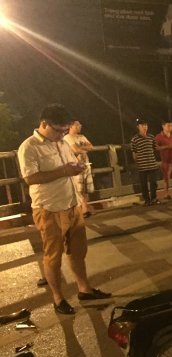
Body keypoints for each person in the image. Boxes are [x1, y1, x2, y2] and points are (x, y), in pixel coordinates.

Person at [17, 104, 111, 315]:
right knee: (53, 256)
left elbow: (70, 165)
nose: (62, 135)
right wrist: (64, 171)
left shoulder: (63, 143)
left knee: (78, 252)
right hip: (49, 208)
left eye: (65, 130)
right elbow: (30, 178)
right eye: (59, 130)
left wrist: (76, 168)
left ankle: (84, 289)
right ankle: (58, 299)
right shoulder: (29, 146)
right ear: (44, 124)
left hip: (72, 204)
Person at [63, 120, 95, 217]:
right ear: (71, 126)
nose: (80, 126)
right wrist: (83, 146)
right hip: (75, 166)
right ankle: (82, 209)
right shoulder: (67, 138)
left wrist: (80, 147)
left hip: (85, 164)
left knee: (86, 189)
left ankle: (85, 208)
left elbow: (91, 147)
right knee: (78, 188)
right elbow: (75, 150)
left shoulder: (82, 136)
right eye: (77, 125)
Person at [131, 119, 160, 206]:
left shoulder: (151, 137)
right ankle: (147, 200)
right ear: (138, 127)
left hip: (152, 164)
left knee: (153, 183)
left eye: (146, 125)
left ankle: (154, 198)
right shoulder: (134, 139)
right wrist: (137, 160)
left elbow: (155, 148)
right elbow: (134, 152)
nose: (145, 127)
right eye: (142, 125)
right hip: (142, 166)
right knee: (143, 184)